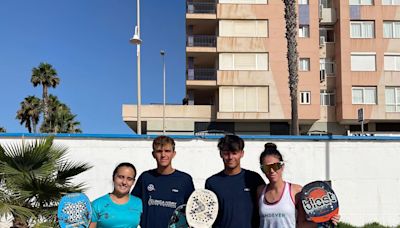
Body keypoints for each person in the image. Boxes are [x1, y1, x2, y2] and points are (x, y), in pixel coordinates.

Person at [258, 143, 340, 228]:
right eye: (267, 168)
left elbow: (302, 224)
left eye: (275, 166)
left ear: (282, 166)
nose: (272, 171)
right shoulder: (260, 191)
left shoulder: (296, 191)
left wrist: (327, 221)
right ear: (262, 170)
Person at [131, 135, 195, 228]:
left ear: (174, 154)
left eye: (167, 151)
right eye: (159, 151)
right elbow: (132, 204)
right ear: (153, 154)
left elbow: (192, 212)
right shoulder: (145, 177)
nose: (163, 155)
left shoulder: (185, 179)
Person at [205, 134, 265, 228]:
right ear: (221, 154)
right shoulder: (212, 183)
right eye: (226, 153)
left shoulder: (254, 179)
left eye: (234, 153)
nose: (230, 157)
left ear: (242, 153)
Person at [90, 162, 142, 228]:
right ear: (113, 178)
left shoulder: (138, 203)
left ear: (133, 182)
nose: (124, 182)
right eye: (121, 177)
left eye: (129, 179)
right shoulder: (97, 204)